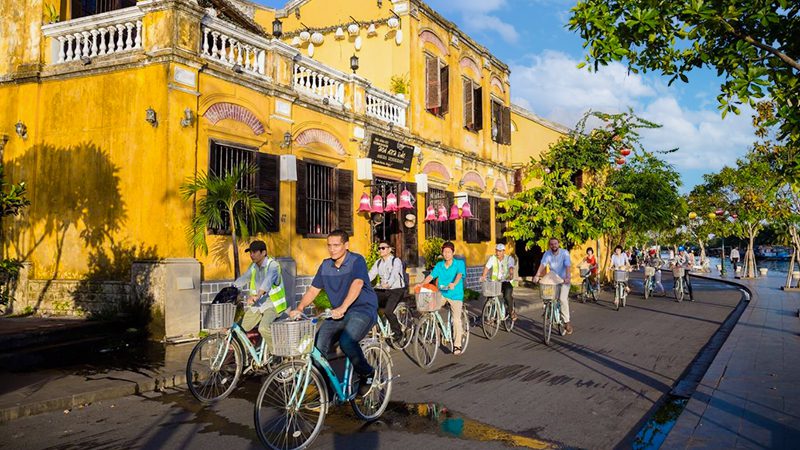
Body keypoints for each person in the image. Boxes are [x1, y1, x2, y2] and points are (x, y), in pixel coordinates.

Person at [289, 230, 378, 396]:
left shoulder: (356, 260)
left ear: (346, 245)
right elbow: (313, 290)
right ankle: (327, 389)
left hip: (362, 310)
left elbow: (357, 284)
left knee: (347, 342)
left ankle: (367, 373)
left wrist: (343, 307)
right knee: (317, 347)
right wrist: (300, 308)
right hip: (337, 313)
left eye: (336, 245)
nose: (332, 249)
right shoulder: (325, 265)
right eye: (329, 245)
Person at [233, 240, 288, 350]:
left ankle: (278, 351)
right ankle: (244, 354)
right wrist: (231, 288)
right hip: (258, 305)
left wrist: (257, 295)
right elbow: (244, 278)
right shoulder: (253, 266)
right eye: (250, 252)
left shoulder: (273, 266)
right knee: (240, 329)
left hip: (273, 306)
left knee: (263, 328)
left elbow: (267, 281)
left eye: (254, 252)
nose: (251, 255)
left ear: (264, 253)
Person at [418, 241, 467, 355]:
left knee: (456, 320)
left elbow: (459, 275)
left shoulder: (459, 263)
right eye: (444, 252)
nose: (446, 254)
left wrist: (454, 283)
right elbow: (431, 276)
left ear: (453, 253)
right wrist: (421, 284)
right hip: (442, 293)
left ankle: (457, 344)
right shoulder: (440, 265)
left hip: (455, 295)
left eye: (449, 252)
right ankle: (439, 329)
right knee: (430, 308)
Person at [533, 238, 573, 335]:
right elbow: (542, 264)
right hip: (553, 280)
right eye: (551, 244)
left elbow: (567, 265)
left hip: (563, 280)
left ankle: (567, 321)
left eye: (555, 243)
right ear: (549, 245)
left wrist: (567, 277)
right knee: (546, 296)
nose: (553, 245)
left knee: (562, 299)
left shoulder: (564, 253)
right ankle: (548, 310)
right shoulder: (547, 254)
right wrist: (537, 275)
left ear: (558, 244)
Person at [368, 240, 406, 337]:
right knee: (368, 303)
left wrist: (388, 284)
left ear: (389, 250)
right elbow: (370, 275)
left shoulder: (396, 261)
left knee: (388, 311)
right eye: (379, 248)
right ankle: (374, 327)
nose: (381, 250)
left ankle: (398, 332)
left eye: (383, 248)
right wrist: (360, 283)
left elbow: (394, 274)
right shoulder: (378, 263)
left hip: (396, 290)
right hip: (383, 290)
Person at [480, 243, 517, 321]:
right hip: (495, 282)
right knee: (490, 296)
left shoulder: (509, 258)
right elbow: (487, 267)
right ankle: (491, 315)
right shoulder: (492, 258)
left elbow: (511, 267)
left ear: (504, 251)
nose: (498, 253)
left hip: (506, 281)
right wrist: (483, 276)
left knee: (507, 296)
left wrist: (510, 274)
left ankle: (511, 312)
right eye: (497, 251)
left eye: (500, 251)